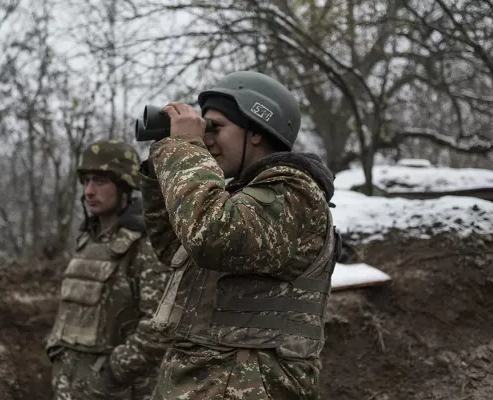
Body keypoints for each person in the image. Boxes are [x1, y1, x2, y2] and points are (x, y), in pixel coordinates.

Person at [139, 71, 342, 399]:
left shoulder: (295, 194)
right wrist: (163, 162)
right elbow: (175, 248)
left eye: (214, 127)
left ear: (257, 131)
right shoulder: (236, 199)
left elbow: (210, 236)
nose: (205, 139)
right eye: (202, 129)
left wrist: (185, 150)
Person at [46, 139, 172, 400]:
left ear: (124, 186)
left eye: (100, 182)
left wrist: (112, 372)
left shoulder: (144, 245)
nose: (89, 191)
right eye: (86, 181)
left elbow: (160, 327)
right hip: (70, 387)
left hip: (116, 390)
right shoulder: (86, 240)